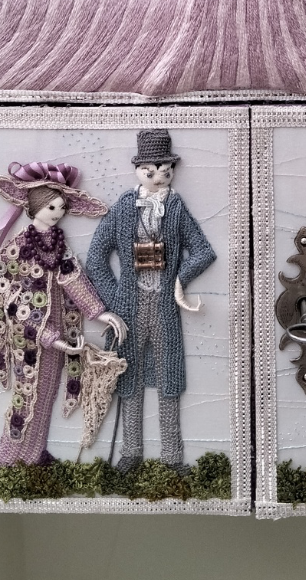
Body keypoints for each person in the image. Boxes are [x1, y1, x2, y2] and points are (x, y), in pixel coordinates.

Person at [0, 161, 127, 467]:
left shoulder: (57, 242)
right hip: (30, 335)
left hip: (59, 329)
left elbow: (73, 278)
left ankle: (33, 453)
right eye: (51, 207)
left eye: (61, 207)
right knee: (26, 391)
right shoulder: (19, 245)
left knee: (46, 393)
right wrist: (45, 334)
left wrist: (99, 312)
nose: (58, 213)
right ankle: (9, 453)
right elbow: (9, 296)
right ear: (34, 208)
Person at [86, 130, 216, 474]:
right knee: (128, 378)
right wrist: (115, 299)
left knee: (169, 378)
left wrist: (179, 280)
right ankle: (131, 452)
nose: (158, 176)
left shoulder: (175, 207)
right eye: (150, 170)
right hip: (129, 309)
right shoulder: (123, 207)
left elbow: (203, 251)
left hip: (164, 307)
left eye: (165, 170)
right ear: (138, 169)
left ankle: (172, 456)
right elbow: (96, 258)